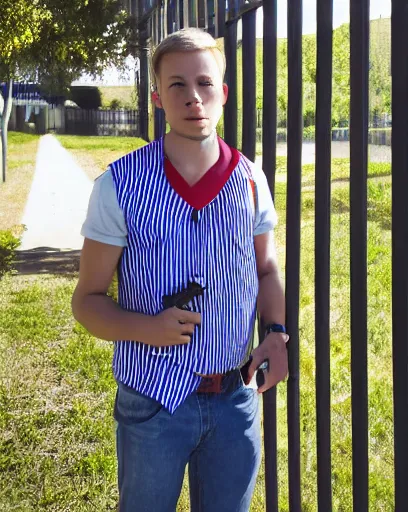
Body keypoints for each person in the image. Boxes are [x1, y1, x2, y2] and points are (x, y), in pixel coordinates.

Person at [71, 27, 288, 512]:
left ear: (223, 93)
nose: (193, 97)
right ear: (157, 97)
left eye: (205, 83)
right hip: (152, 401)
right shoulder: (119, 186)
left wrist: (275, 332)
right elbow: (86, 302)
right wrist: (148, 328)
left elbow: (268, 270)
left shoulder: (251, 180)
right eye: (177, 85)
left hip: (235, 398)